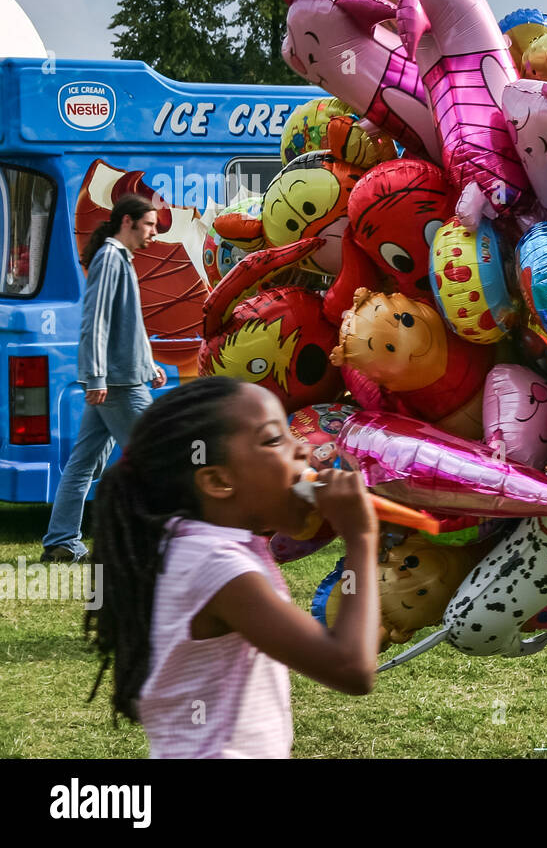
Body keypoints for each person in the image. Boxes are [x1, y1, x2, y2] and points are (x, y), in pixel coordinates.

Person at [84, 377, 380, 758]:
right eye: (275, 440)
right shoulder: (215, 564)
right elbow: (350, 666)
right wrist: (361, 538)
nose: (304, 448)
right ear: (219, 480)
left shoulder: (196, 545)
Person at [42, 195, 166, 563]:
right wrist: (95, 377)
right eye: (150, 225)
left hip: (121, 379)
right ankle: (152, 543)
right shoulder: (111, 258)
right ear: (127, 221)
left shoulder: (118, 258)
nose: (154, 234)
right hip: (118, 385)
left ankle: (61, 541)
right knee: (157, 457)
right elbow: (94, 321)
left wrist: (149, 364)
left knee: (83, 462)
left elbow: (127, 323)